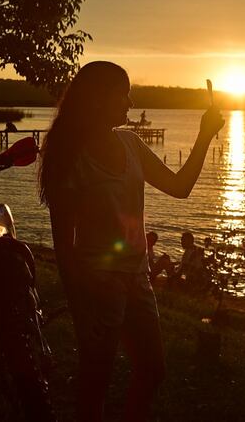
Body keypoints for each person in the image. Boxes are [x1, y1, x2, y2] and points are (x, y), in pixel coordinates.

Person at [38, 61, 224, 422]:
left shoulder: (131, 143)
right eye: (122, 93)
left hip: (138, 279)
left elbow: (179, 187)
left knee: (153, 371)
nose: (130, 101)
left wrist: (204, 135)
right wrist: (80, 308)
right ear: (98, 98)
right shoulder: (70, 159)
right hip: (98, 285)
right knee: (95, 383)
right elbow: (64, 248)